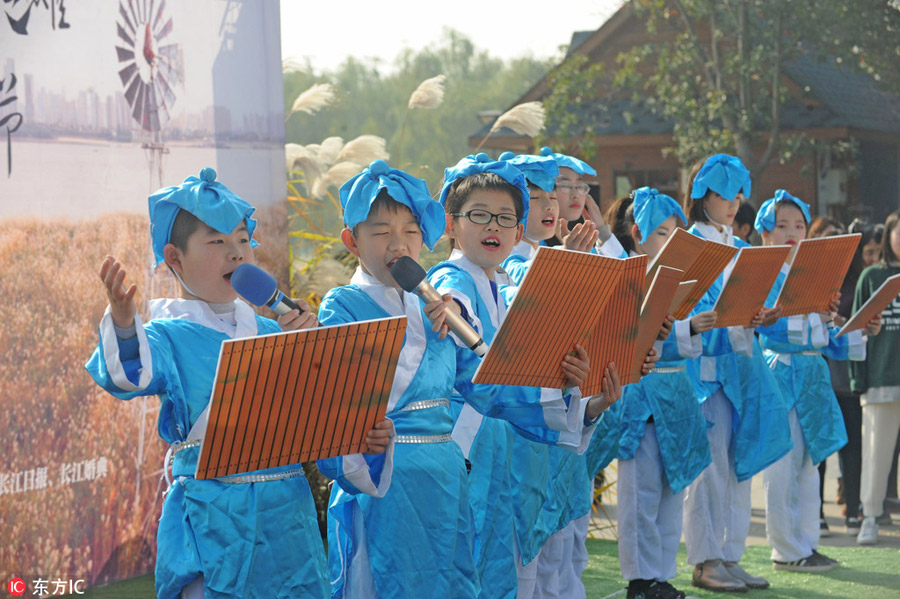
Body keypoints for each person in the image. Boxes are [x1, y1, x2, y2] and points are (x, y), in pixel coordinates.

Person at [85, 167, 394, 599]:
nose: (236, 254)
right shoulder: (165, 335)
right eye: (216, 242)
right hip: (216, 526)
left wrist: (366, 436)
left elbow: (322, 432)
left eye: (243, 240)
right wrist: (122, 320)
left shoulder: (272, 333)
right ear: (174, 258)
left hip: (289, 522)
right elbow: (126, 376)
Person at [316, 160, 605, 599]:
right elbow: (339, 402)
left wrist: (573, 397)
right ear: (351, 241)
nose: (399, 245)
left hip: (447, 477)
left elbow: (489, 387)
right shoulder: (343, 306)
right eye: (381, 232)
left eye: (411, 231)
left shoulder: (433, 305)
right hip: (387, 481)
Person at [427, 153, 621, 599]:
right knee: (475, 573)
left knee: (518, 574)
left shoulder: (500, 288)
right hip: (470, 455)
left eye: (506, 218)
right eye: (479, 215)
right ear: (451, 224)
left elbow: (530, 367)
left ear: (519, 231)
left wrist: (581, 393)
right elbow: (452, 305)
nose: (493, 227)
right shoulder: (452, 279)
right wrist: (451, 310)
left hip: (511, 454)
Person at [680, 154, 791, 593]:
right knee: (708, 470)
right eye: (724, 194)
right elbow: (684, 309)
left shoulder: (743, 249)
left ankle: (729, 554)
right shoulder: (690, 246)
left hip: (742, 371)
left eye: (738, 194)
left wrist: (766, 315)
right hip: (704, 372)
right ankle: (706, 560)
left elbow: (762, 308)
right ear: (701, 194)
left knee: (737, 468)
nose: (733, 203)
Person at [755, 190, 877, 572]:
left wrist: (859, 329)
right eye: (782, 225)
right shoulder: (762, 277)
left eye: (799, 225)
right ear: (764, 234)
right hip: (780, 377)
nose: (792, 232)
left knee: (809, 467)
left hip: (812, 380)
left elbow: (825, 341)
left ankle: (806, 544)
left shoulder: (817, 278)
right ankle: (785, 549)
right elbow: (771, 336)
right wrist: (810, 318)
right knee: (782, 468)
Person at [604, 188, 715, 599]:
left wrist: (688, 328)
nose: (670, 242)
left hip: (676, 395)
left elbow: (681, 343)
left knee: (672, 489)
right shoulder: (623, 277)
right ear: (637, 232)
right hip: (639, 397)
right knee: (640, 494)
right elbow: (624, 341)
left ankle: (662, 574)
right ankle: (639, 578)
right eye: (662, 233)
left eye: (675, 233)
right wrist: (685, 329)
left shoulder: (683, 282)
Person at [852, 209, 900, 545]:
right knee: (875, 451)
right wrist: (859, 379)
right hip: (882, 378)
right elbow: (856, 332)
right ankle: (870, 516)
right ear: (889, 236)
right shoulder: (871, 277)